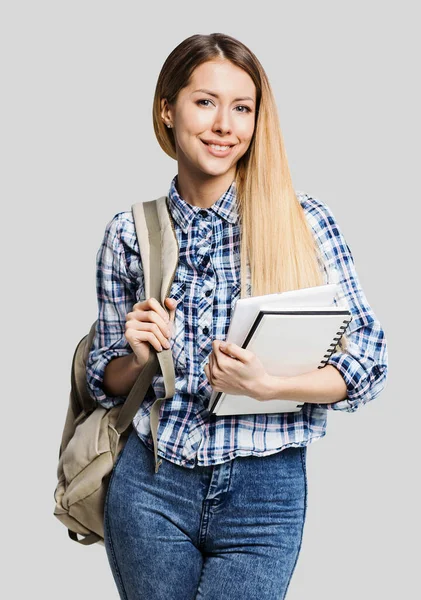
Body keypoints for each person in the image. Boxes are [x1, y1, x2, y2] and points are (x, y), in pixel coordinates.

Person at [86, 32, 388, 600]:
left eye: (242, 108)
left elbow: (370, 361)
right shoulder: (129, 235)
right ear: (167, 109)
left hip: (264, 489)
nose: (225, 124)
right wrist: (138, 360)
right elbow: (102, 381)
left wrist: (272, 385)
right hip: (151, 484)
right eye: (205, 102)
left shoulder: (301, 222)